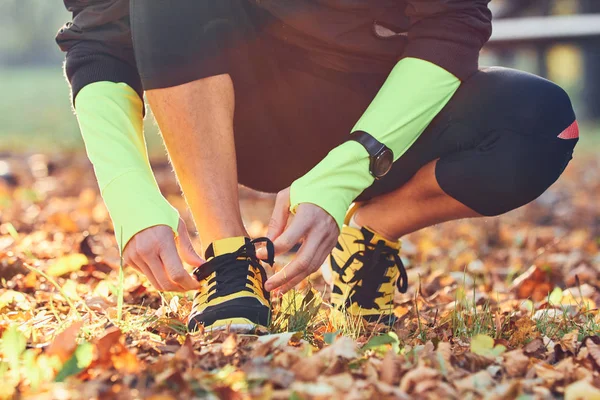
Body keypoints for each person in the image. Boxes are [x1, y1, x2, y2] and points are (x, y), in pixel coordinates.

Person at [57, 0, 578, 332]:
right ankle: (230, 262)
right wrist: (131, 199)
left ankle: (369, 236)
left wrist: (341, 176)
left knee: (543, 122)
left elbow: (453, 22)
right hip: (241, 105)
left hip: (383, 103)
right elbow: (100, 41)